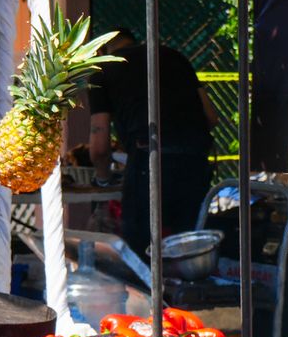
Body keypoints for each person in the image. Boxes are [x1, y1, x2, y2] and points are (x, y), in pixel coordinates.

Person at [87, 28, 218, 259]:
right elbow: (211, 117)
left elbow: (99, 146)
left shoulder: (102, 70)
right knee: (189, 246)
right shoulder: (173, 56)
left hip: (149, 159)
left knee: (141, 250)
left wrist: (103, 180)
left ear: (101, 50)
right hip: (195, 159)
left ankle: (149, 283)